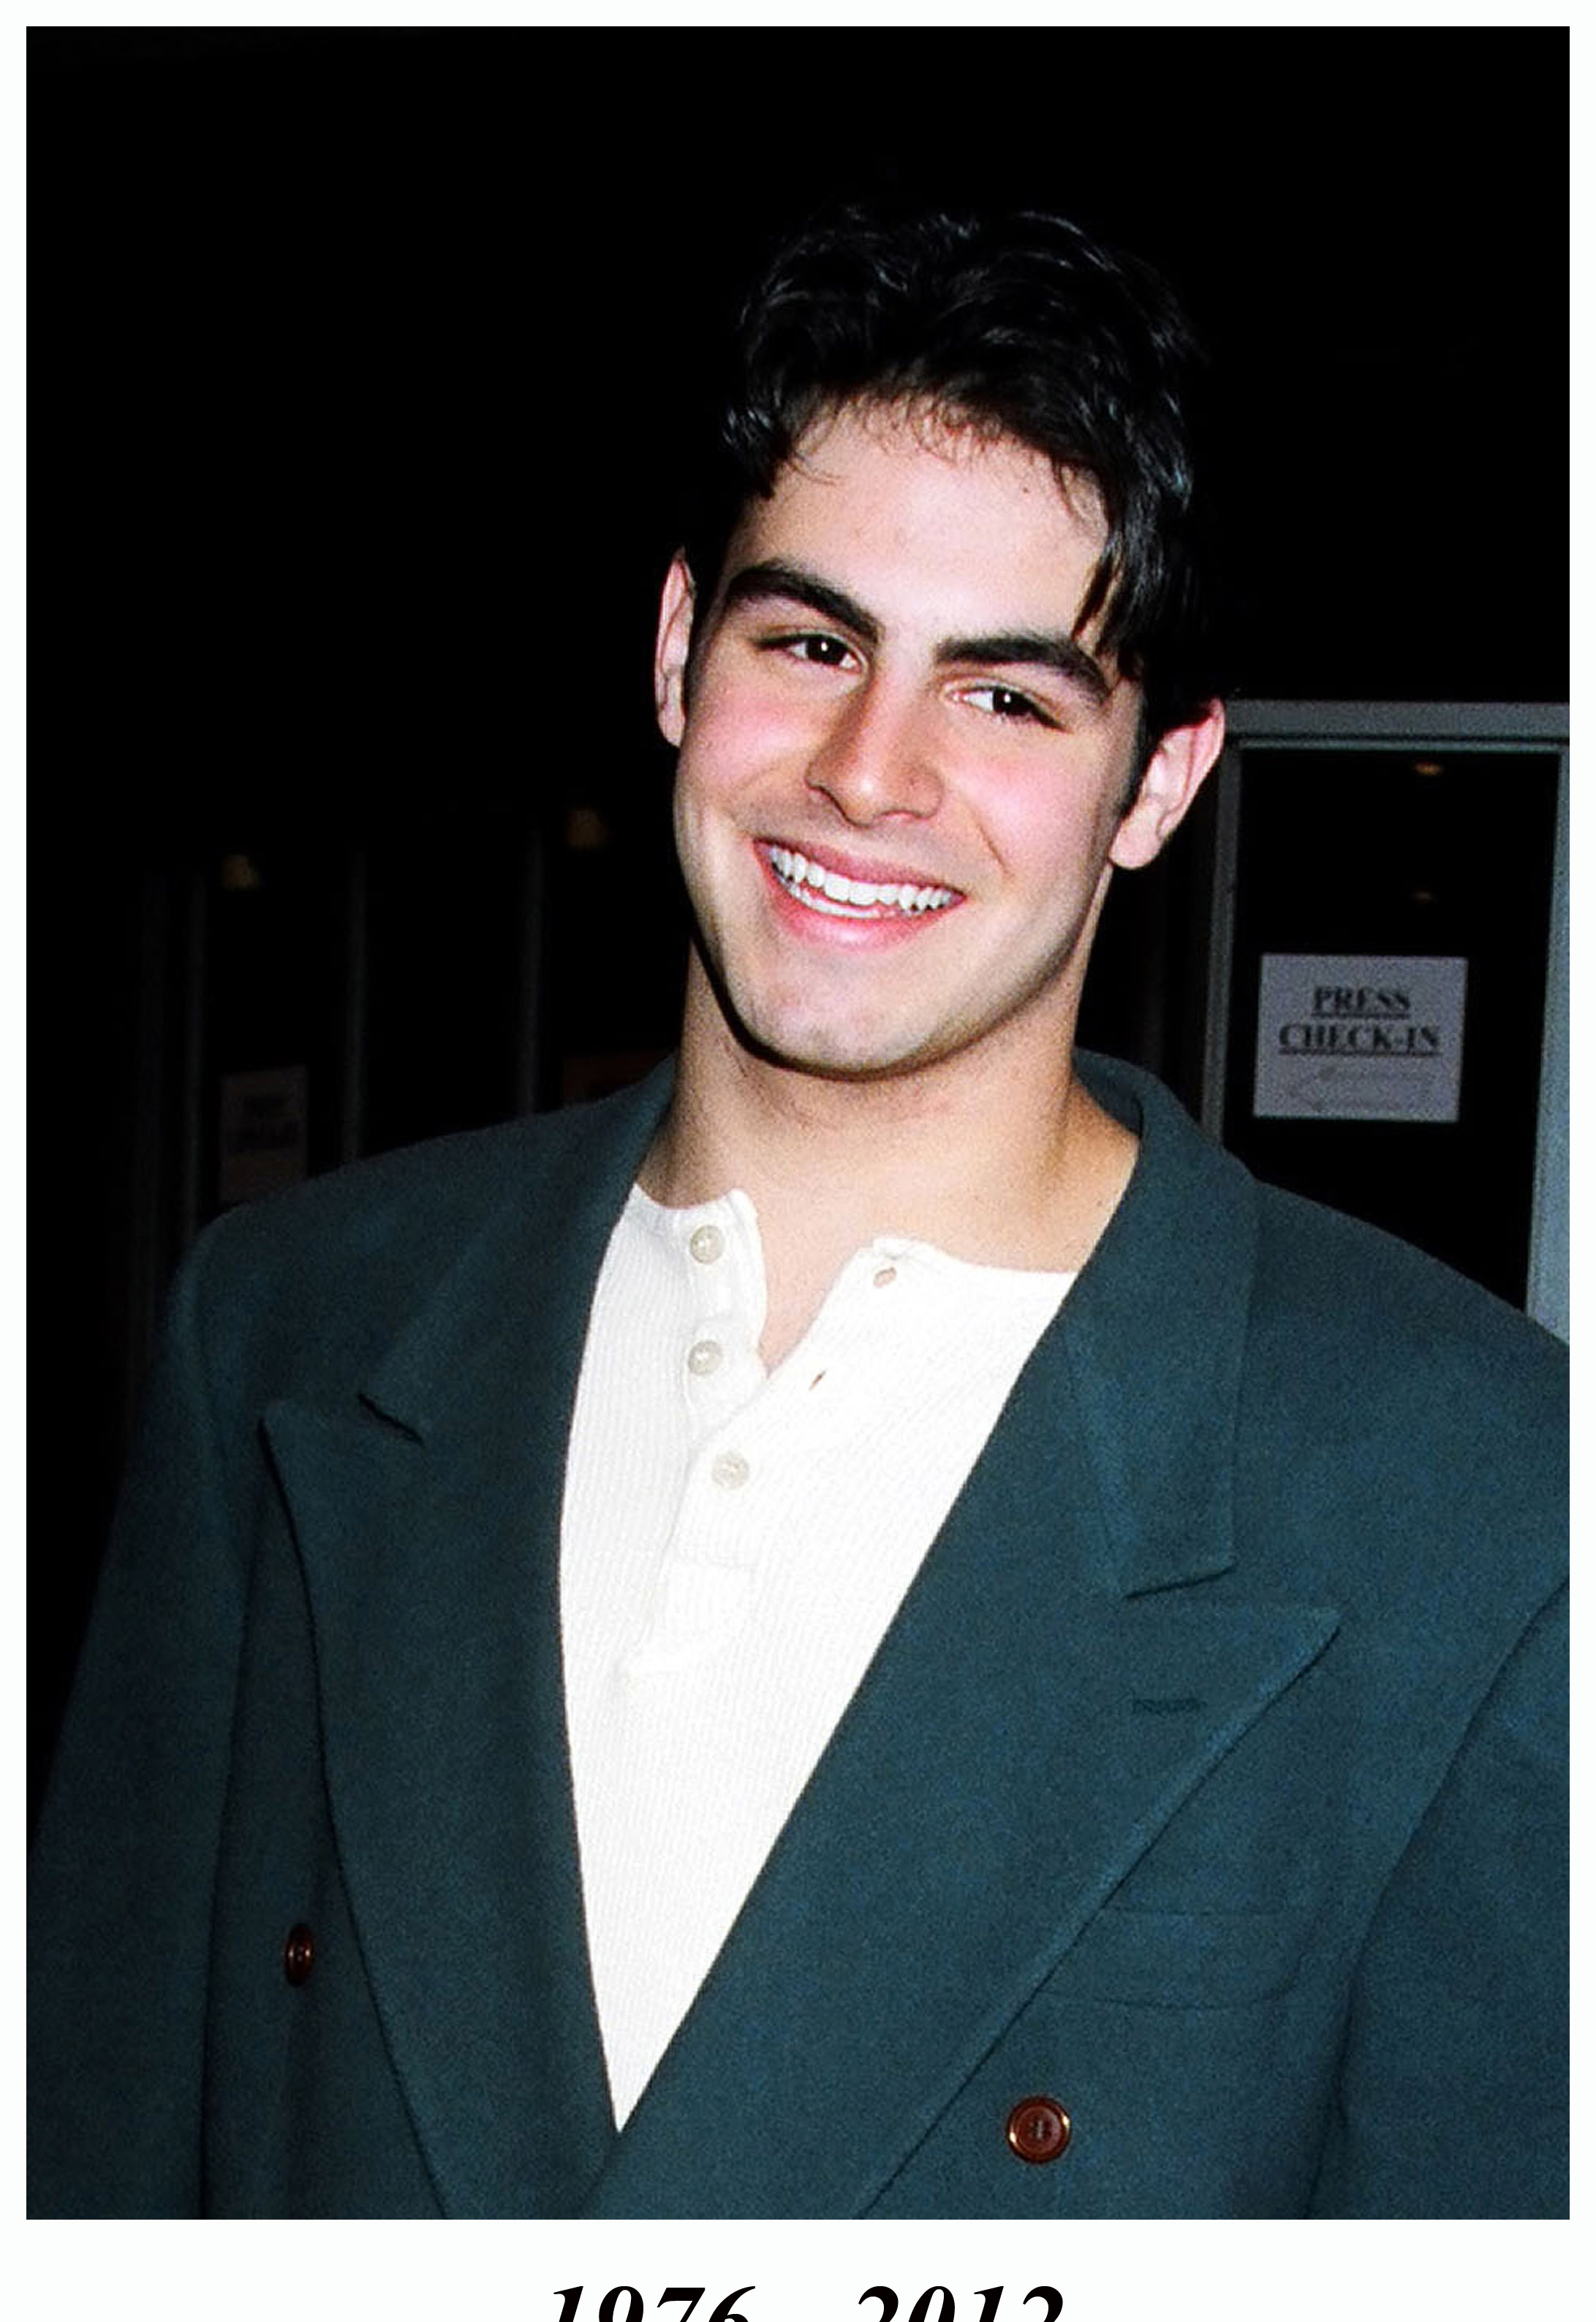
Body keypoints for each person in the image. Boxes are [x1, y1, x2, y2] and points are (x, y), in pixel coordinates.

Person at [29, 204, 1566, 2219]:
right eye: (814, 643)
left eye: (1008, 697)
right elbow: (94, 2173)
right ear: (680, 648)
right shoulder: (295, 1328)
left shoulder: (1463, 1481)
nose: (869, 772)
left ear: (1163, 779)